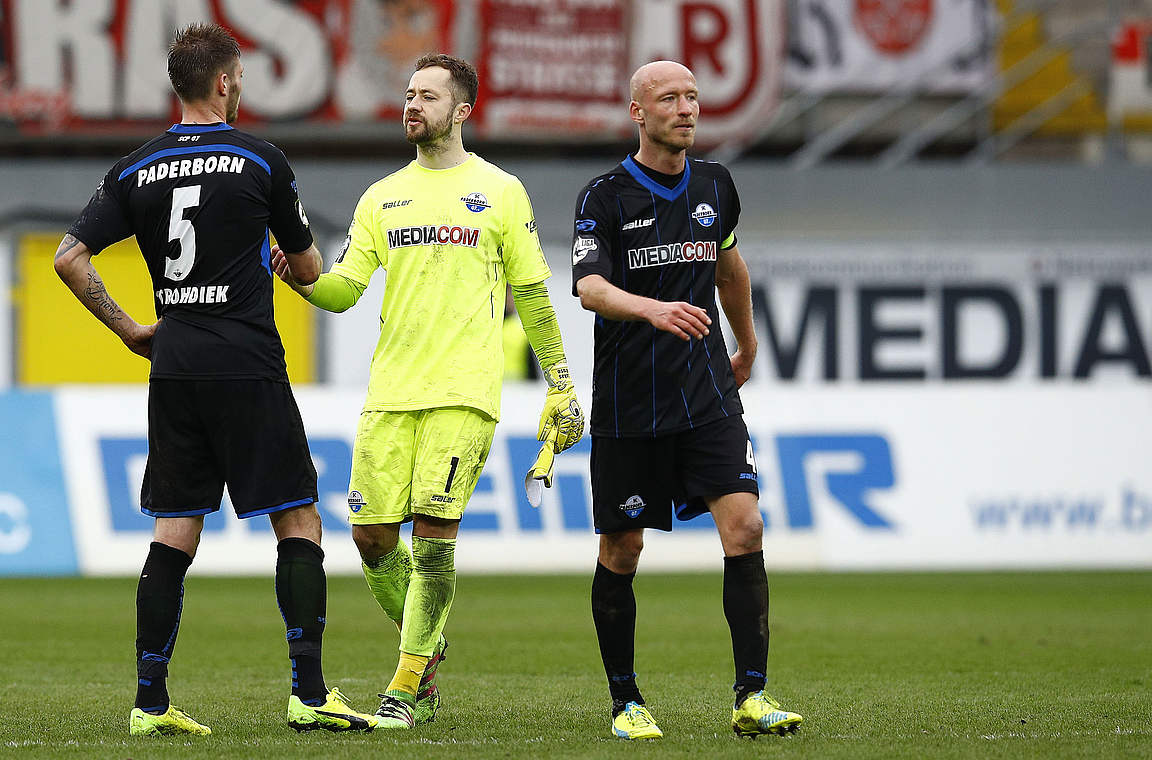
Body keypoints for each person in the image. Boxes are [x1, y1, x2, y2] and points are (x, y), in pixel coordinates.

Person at [54, 22, 373, 737]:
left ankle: (149, 702)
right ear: (226, 81)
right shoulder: (262, 160)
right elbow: (313, 270)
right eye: (241, 78)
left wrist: (132, 328)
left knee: (175, 527)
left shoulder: (136, 166)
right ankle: (310, 692)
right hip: (246, 363)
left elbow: (69, 257)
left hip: (174, 366)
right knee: (297, 516)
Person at [273, 53, 584, 730]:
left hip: (464, 391)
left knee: (436, 534)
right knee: (371, 538)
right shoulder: (381, 196)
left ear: (462, 110)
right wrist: (297, 276)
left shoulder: (501, 191)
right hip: (390, 391)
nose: (413, 105)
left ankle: (406, 685)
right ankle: (429, 638)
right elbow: (344, 290)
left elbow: (533, 295)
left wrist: (560, 383)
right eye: (409, 94)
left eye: (428, 96)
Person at [570, 60, 804, 740]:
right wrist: (655, 310)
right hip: (630, 402)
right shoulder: (604, 196)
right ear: (637, 112)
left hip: (706, 394)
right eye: (669, 97)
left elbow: (730, 269)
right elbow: (590, 288)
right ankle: (626, 702)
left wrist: (749, 343)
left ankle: (752, 697)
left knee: (747, 527)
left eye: (693, 97)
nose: (686, 108)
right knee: (623, 549)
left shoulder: (715, 185)